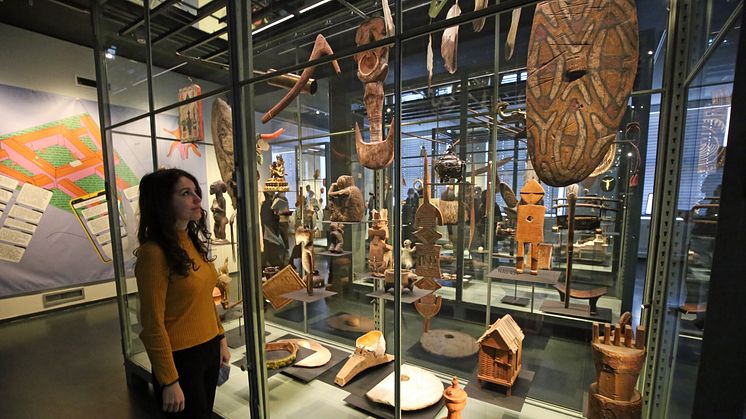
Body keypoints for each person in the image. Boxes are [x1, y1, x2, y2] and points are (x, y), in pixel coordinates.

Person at [135, 168, 230, 417]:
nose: (198, 199)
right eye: (186, 193)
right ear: (163, 201)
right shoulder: (153, 254)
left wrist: (219, 338)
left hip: (208, 349)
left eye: (196, 192)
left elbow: (205, 298)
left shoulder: (192, 243)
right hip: (181, 360)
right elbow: (152, 324)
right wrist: (168, 380)